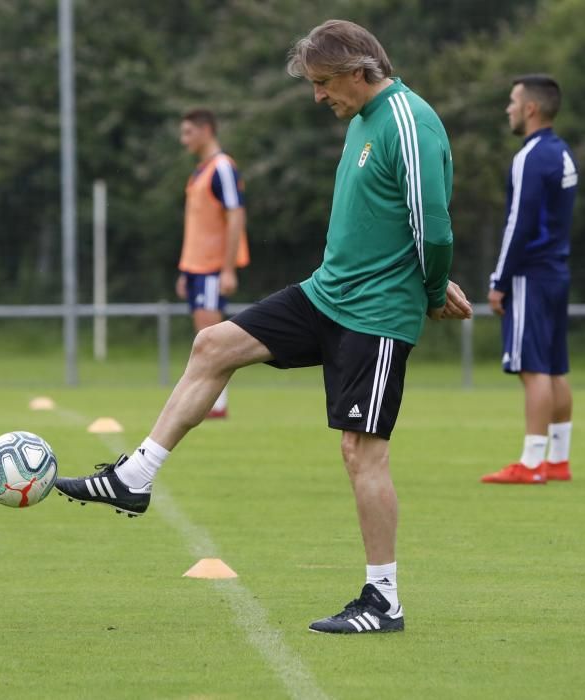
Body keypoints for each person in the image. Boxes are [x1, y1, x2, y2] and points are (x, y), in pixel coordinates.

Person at [54, 19, 472, 634]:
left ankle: (384, 600)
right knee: (212, 344)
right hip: (327, 295)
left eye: (325, 83)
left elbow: (431, 225)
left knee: (362, 453)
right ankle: (133, 477)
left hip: (376, 315)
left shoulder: (407, 121)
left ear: (362, 72)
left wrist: (433, 291)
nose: (318, 95)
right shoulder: (361, 120)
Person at [480, 74, 578, 485]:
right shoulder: (562, 153)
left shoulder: (530, 157)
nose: (508, 108)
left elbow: (518, 224)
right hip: (556, 271)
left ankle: (532, 463)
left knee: (532, 368)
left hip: (530, 274)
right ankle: (558, 459)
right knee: (553, 368)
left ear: (531, 108)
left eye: (513, 101)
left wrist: (500, 280)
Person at [176, 109, 251, 418]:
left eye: (188, 132)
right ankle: (209, 401)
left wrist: (228, 267)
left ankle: (216, 404)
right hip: (195, 267)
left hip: (211, 267)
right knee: (202, 335)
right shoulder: (199, 171)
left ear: (206, 130)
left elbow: (236, 216)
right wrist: (184, 269)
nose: (184, 140)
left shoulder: (222, 168)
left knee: (211, 336)